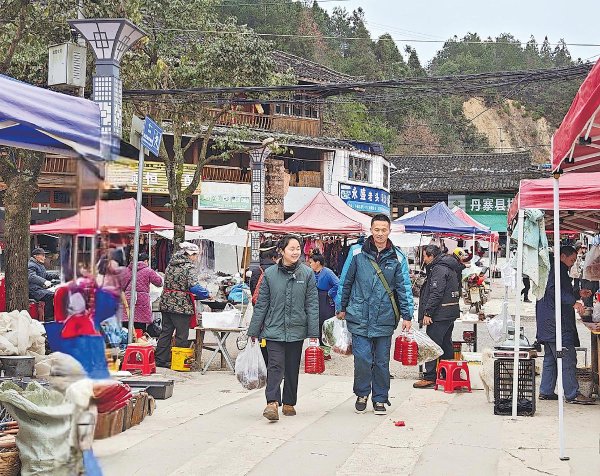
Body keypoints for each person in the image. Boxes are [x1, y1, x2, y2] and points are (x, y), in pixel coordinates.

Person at [338, 214, 413, 415]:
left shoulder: (397, 257)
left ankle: (380, 398)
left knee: (381, 361)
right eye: (376, 229)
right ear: (370, 230)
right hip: (359, 314)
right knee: (362, 358)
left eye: (384, 230)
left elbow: (403, 287)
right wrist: (341, 306)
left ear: (389, 231)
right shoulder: (356, 252)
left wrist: (407, 316)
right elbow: (346, 281)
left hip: (384, 317)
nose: (380, 233)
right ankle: (362, 393)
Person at [248, 235, 319, 422]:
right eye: (291, 249)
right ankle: (272, 402)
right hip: (274, 328)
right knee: (275, 365)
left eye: (298, 249)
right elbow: (262, 304)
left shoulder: (307, 274)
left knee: (292, 367)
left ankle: (289, 402)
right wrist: (253, 331)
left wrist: (313, 333)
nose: (295, 252)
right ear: (282, 251)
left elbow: (312, 304)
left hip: (297, 328)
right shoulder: (270, 274)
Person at [536, 245, 595, 404]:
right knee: (567, 357)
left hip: (547, 322)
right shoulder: (557, 269)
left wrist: (577, 294)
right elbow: (554, 291)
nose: (572, 263)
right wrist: (573, 302)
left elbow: (560, 291)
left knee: (550, 358)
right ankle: (572, 393)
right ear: (562, 256)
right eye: (571, 260)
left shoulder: (556, 269)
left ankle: (546, 391)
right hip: (556, 323)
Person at [413, 244, 461, 389]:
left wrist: (428, 312)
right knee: (446, 343)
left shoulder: (439, 269)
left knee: (431, 345)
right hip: (449, 311)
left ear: (431, 256)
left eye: (424, 256)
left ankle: (430, 377)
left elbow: (436, 292)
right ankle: (447, 374)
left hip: (440, 313)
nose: (423, 260)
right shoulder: (448, 265)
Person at [156, 242, 206, 368]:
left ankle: (160, 360)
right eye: (196, 255)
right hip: (181, 305)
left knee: (166, 332)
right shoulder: (189, 267)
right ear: (190, 255)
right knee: (181, 335)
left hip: (166, 302)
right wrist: (206, 294)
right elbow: (194, 286)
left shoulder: (171, 264)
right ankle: (177, 362)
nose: (196, 258)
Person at [120, 253, 163, 333]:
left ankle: (127, 339)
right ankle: (138, 339)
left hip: (128, 299)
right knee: (140, 324)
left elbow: (121, 285)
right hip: (141, 300)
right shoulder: (148, 270)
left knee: (127, 323)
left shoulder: (126, 270)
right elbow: (159, 282)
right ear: (146, 261)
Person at [308, 251, 339, 360]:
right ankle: (318, 350)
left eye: (311, 262)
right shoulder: (312, 273)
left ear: (317, 262)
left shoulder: (328, 272)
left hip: (325, 300)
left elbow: (338, 284)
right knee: (316, 324)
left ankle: (325, 351)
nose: (310, 264)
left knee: (325, 325)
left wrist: (329, 293)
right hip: (315, 299)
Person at [28, 247, 58, 321]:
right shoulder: (31, 265)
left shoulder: (39, 265)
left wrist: (57, 275)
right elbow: (31, 276)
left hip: (39, 289)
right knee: (50, 296)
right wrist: (44, 281)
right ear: (36, 256)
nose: (44, 258)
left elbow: (46, 275)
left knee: (55, 293)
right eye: (43, 255)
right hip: (34, 290)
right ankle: (49, 319)